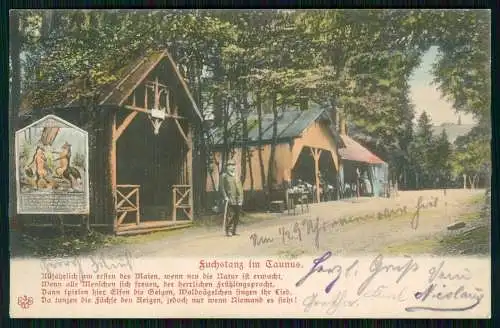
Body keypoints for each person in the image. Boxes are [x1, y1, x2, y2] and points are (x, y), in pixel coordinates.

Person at [220, 159, 244, 237]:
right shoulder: (224, 176)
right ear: (227, 167)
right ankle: (228, 231)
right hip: (230, 198)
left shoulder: (236, 176)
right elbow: (222, 188)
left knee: (237, 215)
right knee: (231, 215)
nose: (233, 167)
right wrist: (225, 197)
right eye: (230, 166)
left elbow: (240, 187)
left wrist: (241, 198)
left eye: (234, 165)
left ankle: (234, 230)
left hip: (238, 199)